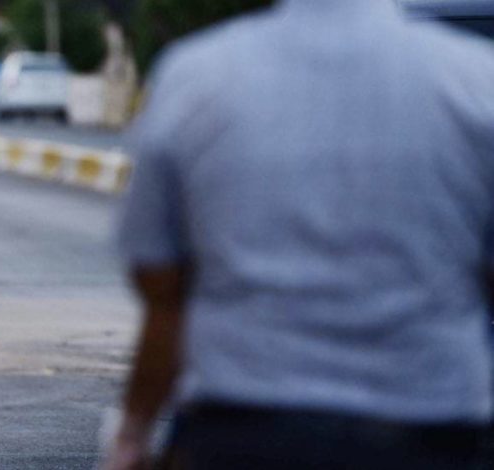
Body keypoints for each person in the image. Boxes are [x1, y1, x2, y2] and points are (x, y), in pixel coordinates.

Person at [104, 0, 494, 468]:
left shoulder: (196, 77)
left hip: (242, 433)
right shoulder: (476, 80)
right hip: (432, 433)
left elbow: (163, 289)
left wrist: (134, 433)